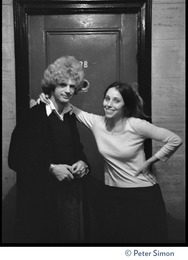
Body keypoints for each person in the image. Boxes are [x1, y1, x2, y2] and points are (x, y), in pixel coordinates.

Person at [39, 81, 183, 244]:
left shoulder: (136, 125)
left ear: (125, 105)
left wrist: (149, 162)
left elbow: (174, 139)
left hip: (142, 196)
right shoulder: (96, 122)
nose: (109, 104)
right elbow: (67, 106)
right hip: (112, 196)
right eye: (107, 99)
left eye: (116, 100)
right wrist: (47, 99)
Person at [8, 56, 89, 244]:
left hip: (69, 198)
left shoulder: (69, 116)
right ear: (52, 85)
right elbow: (15, 159)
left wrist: (83, 163)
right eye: (62, 84)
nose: (68, 90)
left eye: (72, 86)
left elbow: (77, 150)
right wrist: (51, 168)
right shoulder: (33, 116)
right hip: (40, 200)